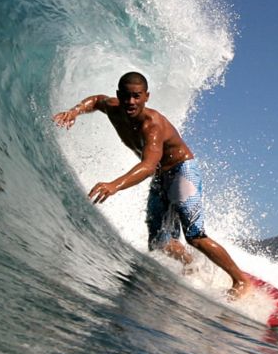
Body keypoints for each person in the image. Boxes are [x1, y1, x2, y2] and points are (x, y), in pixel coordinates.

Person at [52, 71, 253, 298]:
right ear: (118, 95)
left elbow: (148, 166)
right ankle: (190, 264)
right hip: (161, 176)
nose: (131, 102)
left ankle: (241, 280)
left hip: (181, 171)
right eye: (126, 96)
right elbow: (97, 100)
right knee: (160, 241)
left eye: (137, 96)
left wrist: (114, 185)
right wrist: (75, 111)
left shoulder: (152, 125)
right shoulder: (113, 107)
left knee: (194, 236)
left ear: (147, 96)